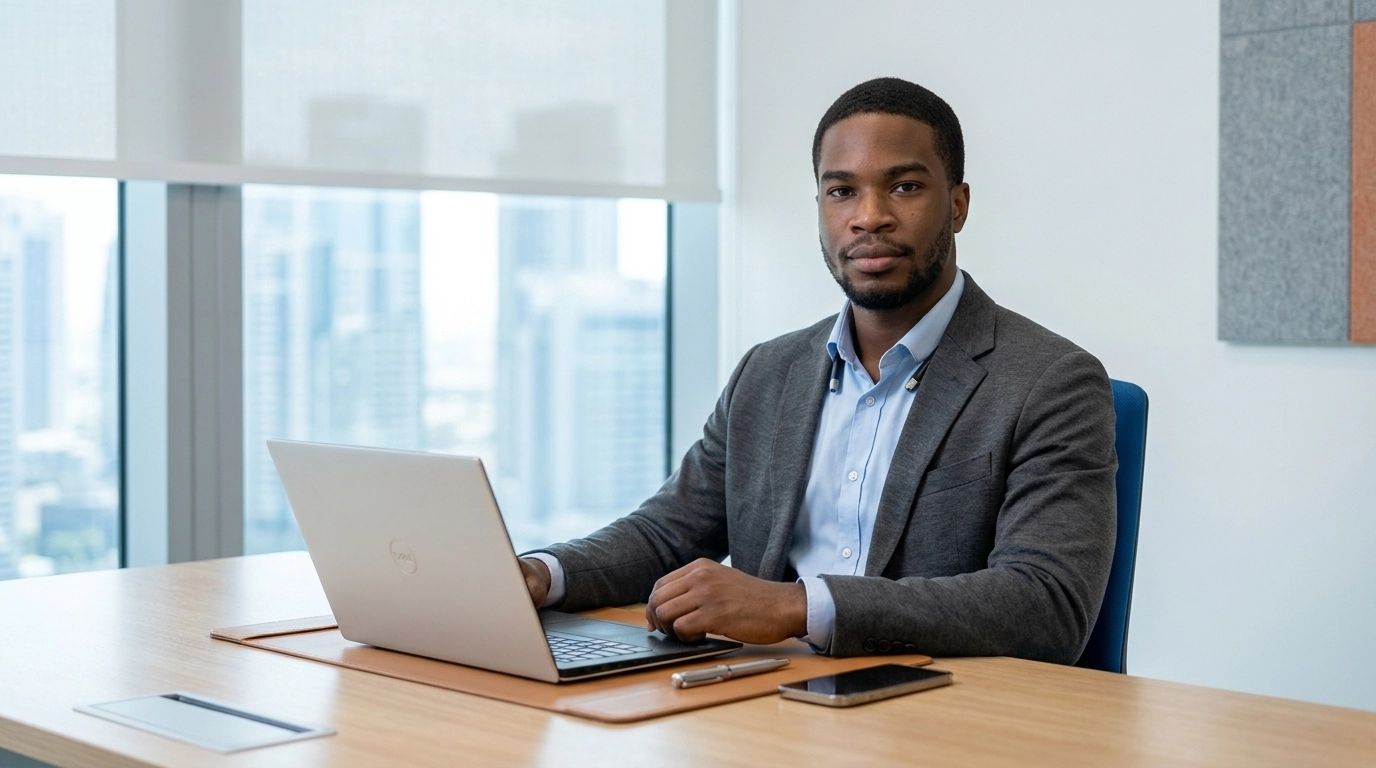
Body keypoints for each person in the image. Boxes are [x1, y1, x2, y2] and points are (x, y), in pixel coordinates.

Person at [519, 77, 1117, 664]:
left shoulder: (1050, 382)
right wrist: (542, 574)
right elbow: (666, 535)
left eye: (904, 187)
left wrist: (798, 606)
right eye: (842, 191)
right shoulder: (767, 372)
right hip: (763, 695)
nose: (869, 217)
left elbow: (1047, 603)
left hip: (938, 707)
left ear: (957, 206)